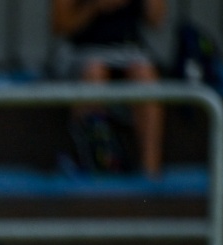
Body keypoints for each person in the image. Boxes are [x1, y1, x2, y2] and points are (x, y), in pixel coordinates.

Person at [51, 0, 168, 177]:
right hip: (83, 50)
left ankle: (150, 172)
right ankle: (99, 166)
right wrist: (95, 7)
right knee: (95, 71)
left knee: (144, 73)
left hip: (127, 49)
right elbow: (60, 25)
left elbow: (156, 20)